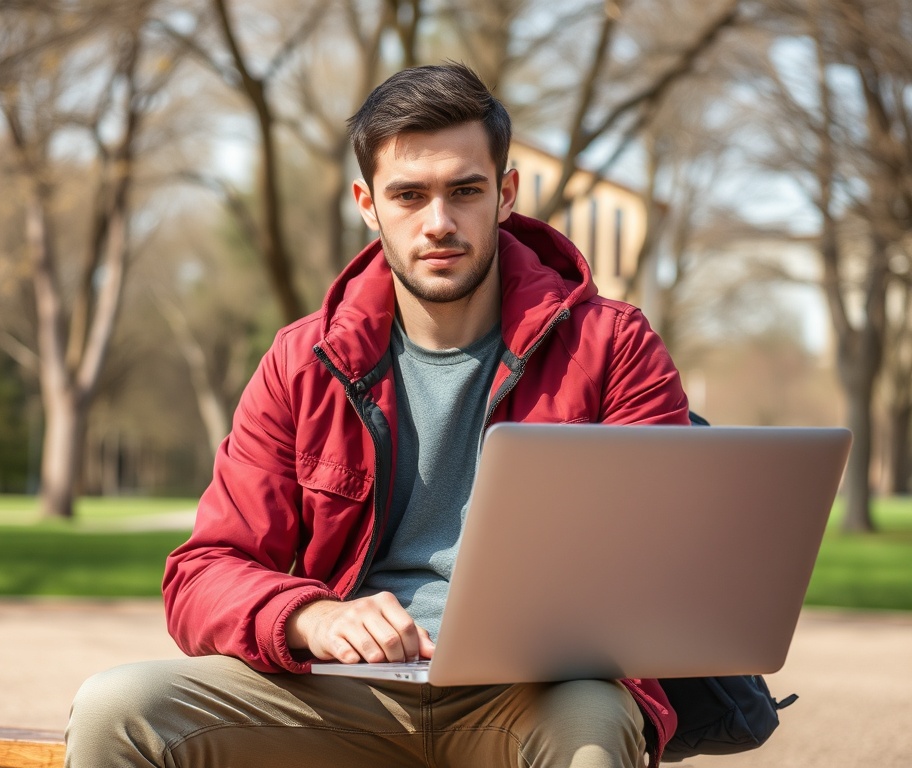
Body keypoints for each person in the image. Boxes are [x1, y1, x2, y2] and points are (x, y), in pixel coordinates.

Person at [65, 62, 690, 768]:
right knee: (118, 710)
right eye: (409, 195)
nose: (439, 223)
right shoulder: (303, 360)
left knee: (593, 729)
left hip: (532, 694)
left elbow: (664, 555)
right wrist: (310, 617)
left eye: (465, 191)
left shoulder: (612, 346)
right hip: (342, 693)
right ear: (367, 203)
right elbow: (204, 571)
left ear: (506, 194)